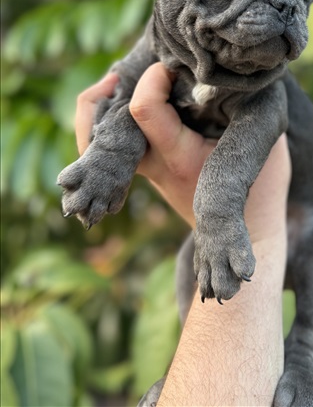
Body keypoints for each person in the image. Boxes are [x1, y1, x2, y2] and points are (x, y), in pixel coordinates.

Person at [75, 63, 291, 407]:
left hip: (280, 208)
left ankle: (305, 363)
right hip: (251, 223)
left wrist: (237, 218)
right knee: (194, 265)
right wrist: (259, 230)